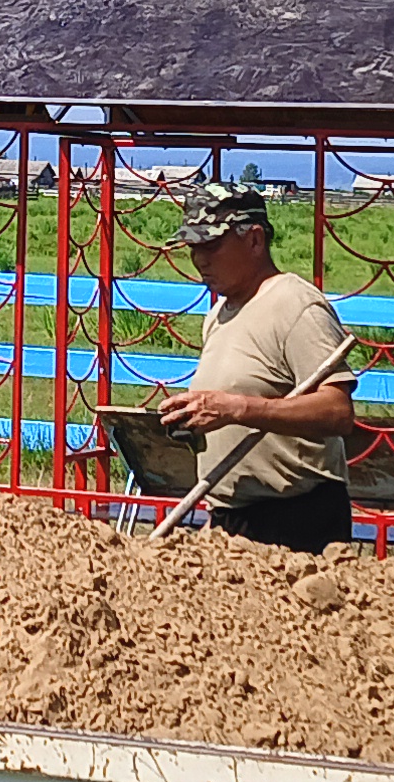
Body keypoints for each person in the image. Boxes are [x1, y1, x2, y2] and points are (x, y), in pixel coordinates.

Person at [149, 179, 361, 553]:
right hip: (230, 517)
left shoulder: (295, 306)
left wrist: (238, 409)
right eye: (193, 248)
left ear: (254, 240)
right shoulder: (218, 316)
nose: (200, 260)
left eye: (211, 245)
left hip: (295, 520)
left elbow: (337, 411)